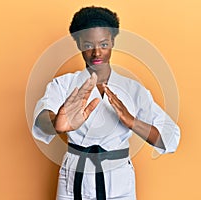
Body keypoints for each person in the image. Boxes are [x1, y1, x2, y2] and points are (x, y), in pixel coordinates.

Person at [32, 6, 180, 200]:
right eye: (87, 45)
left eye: (103, 44)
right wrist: (55, 124)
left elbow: (170, 137)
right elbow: (43, 116)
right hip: (73, 179)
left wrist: (132, 122)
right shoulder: (64, 84)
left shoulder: (133, 90)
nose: (96, 53)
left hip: (119, 182)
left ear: (112, 42)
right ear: (78, 44)